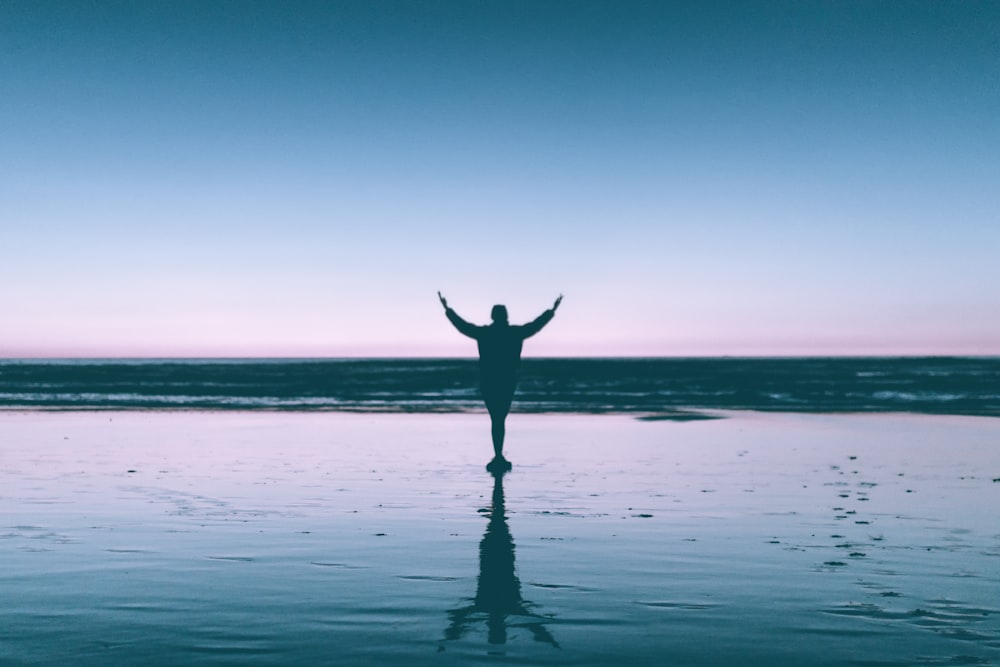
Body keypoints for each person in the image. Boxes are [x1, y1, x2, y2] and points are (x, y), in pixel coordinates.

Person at [438, 291, 562, 469]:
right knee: (499, 418)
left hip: (489, 379)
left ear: (492, 316)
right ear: (506, 316)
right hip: (507, 379)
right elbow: (536, 325)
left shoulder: (485, 333)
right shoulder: (514, 333)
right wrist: (551, 311)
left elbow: (463, 326)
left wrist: (447, 309)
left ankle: (498, 456)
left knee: (496, 418)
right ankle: (498, 456)